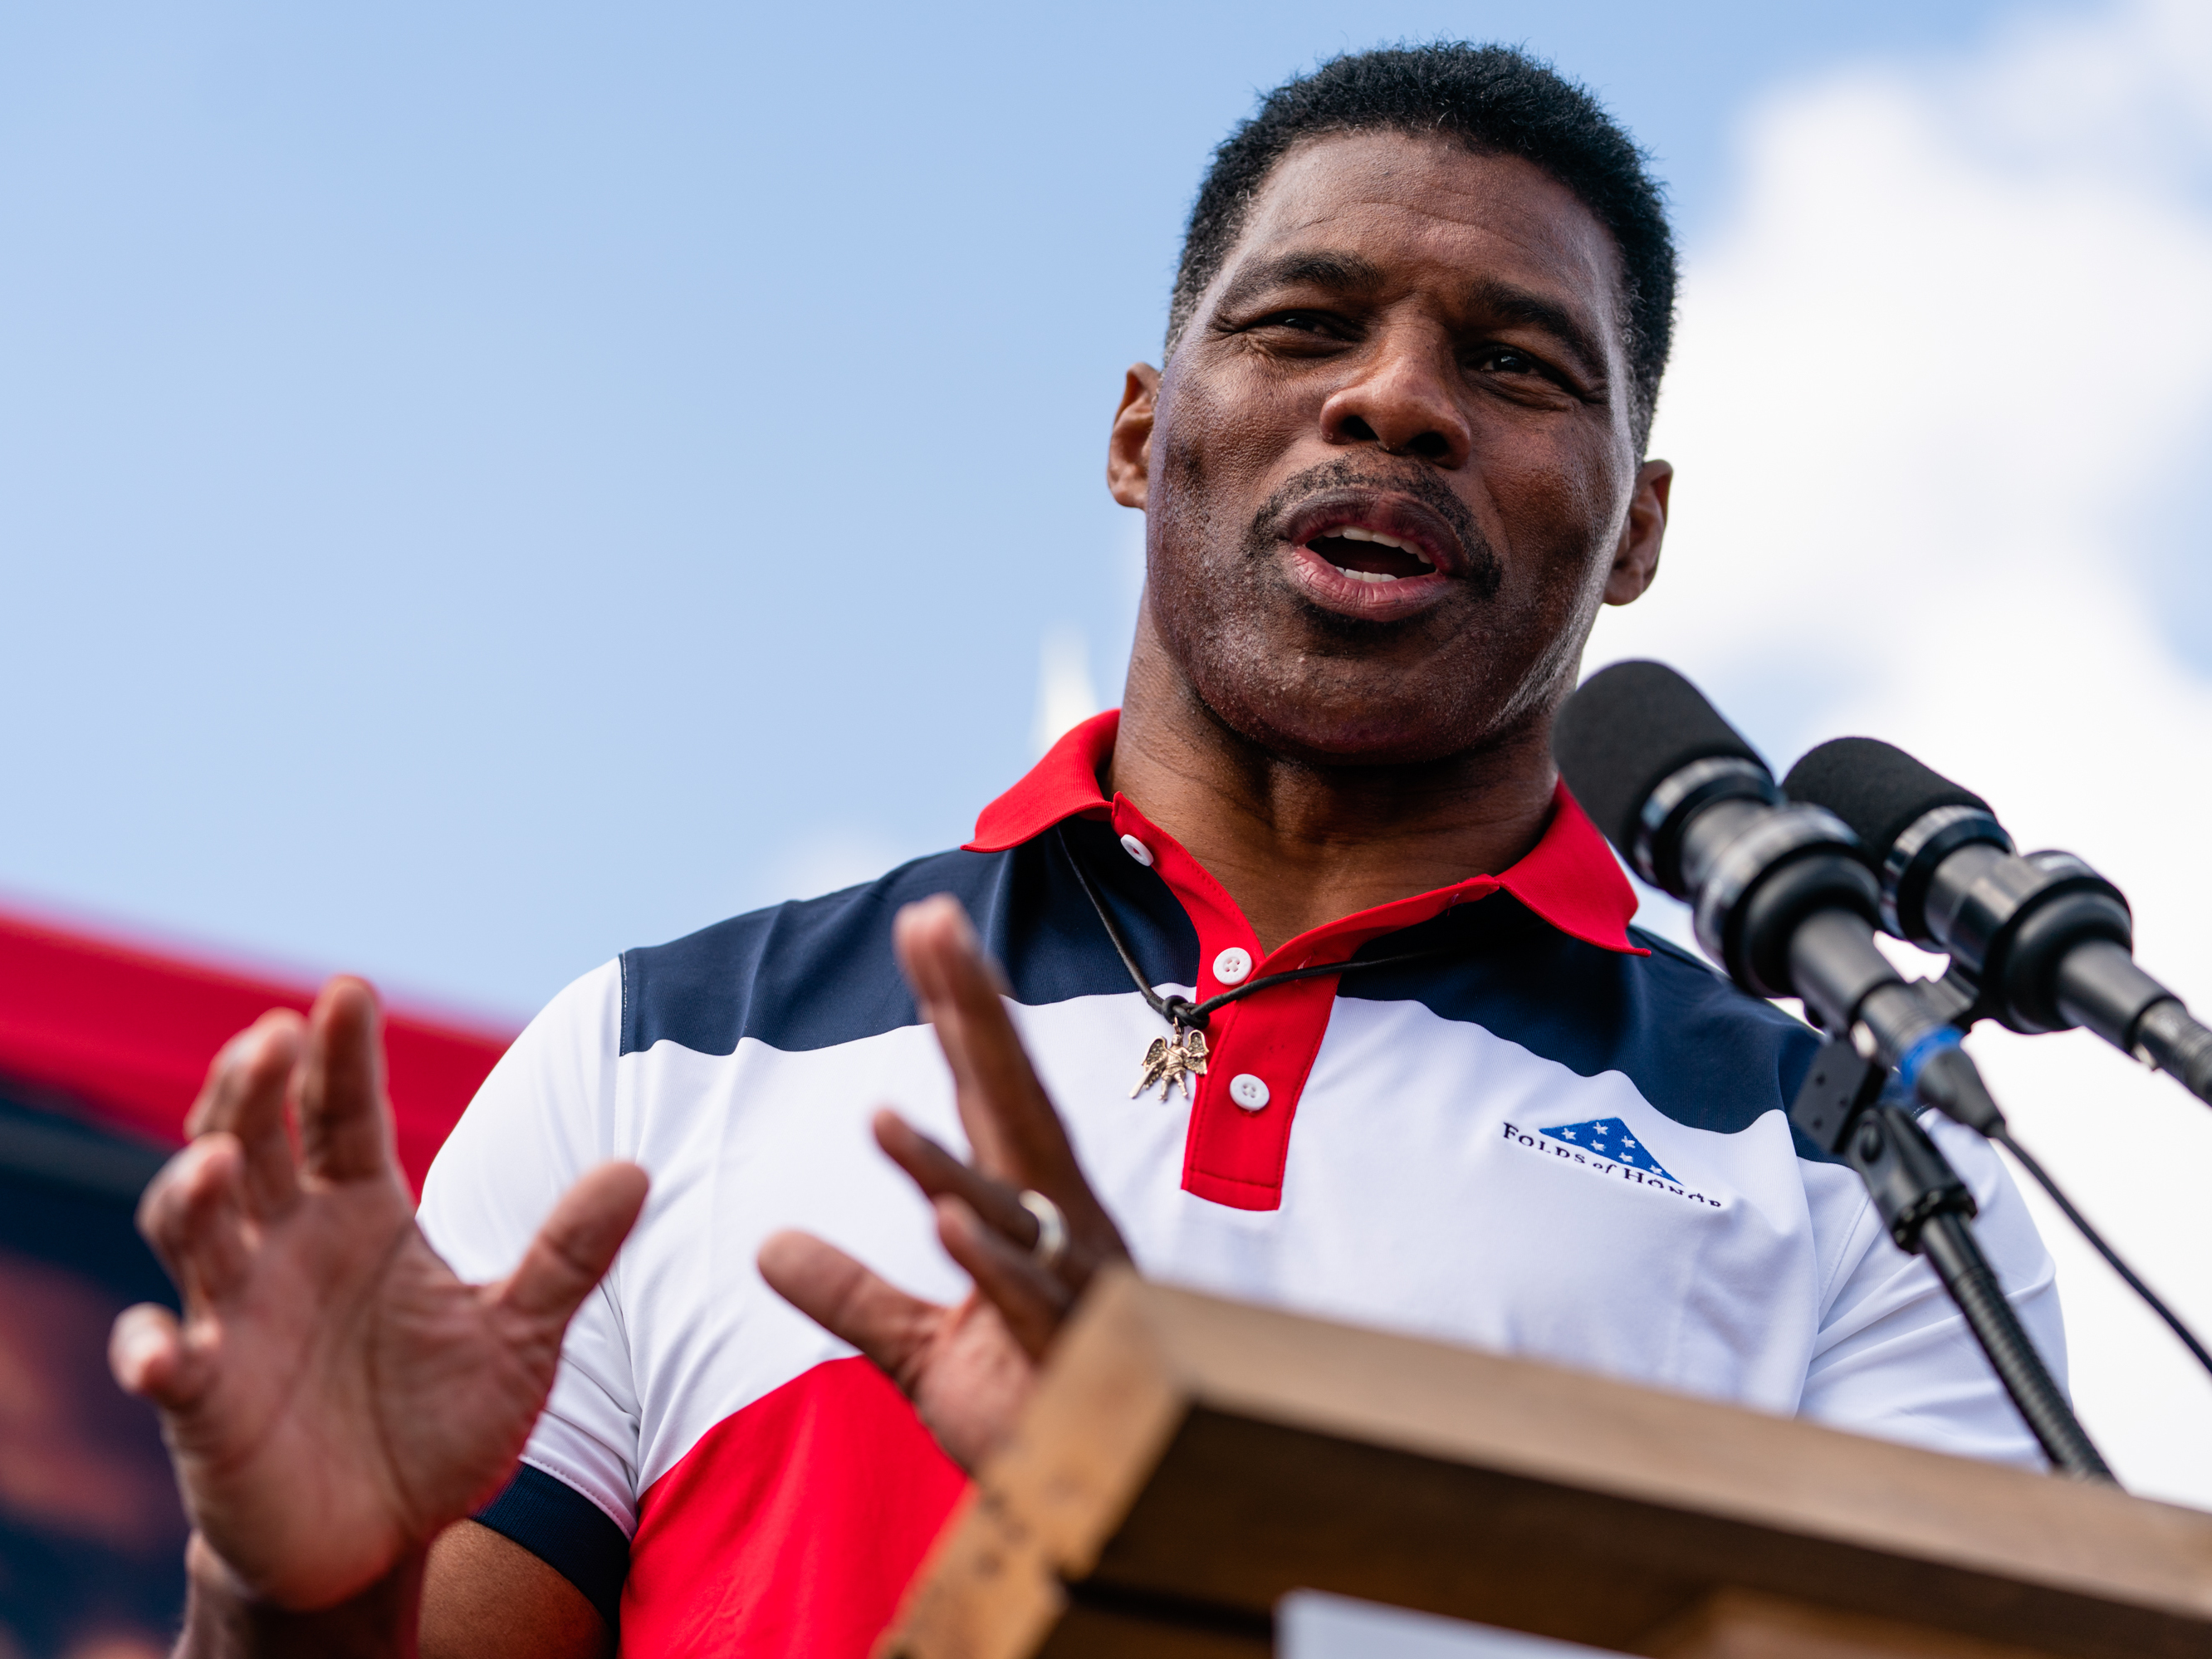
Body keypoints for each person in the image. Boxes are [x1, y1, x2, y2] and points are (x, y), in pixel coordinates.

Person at [107, 42, 2064, 1659]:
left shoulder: (1856, 1171)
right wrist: (291, 1602)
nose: (1396, 398)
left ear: (1634, 528)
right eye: (1306, 324)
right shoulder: (660, 1061)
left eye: (1517, 365)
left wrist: (1161, 1535)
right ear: (1141, 432)